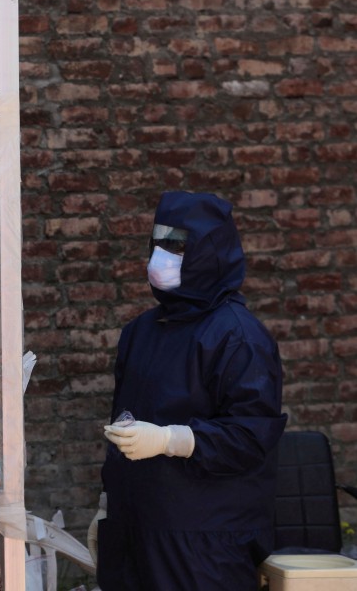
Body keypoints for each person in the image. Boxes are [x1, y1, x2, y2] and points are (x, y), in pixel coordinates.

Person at [89, 191, 287, 591]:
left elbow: (250, 436)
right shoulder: (142, 332)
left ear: (207, 252)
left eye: (178, 246)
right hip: (135, 529)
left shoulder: (238, 337)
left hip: (204, 542)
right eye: (158, 243)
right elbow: (124, 425)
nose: (162, 256)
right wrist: (108, 504)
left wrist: (170, 440)